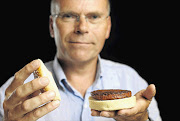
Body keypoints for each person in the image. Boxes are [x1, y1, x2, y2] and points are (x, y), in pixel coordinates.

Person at [0, 0, 162, 120]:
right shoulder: (13, 97)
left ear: (108, 27)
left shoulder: (132, 81)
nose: (82, 28)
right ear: (52, 26)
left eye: (94, 16)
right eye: (69, 16)